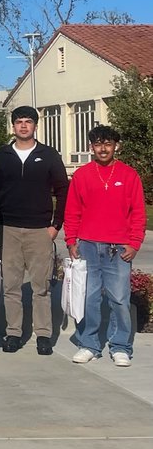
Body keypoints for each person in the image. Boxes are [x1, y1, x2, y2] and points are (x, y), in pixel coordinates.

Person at [0, 104, 68, 356]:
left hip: (40, 230)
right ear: (13, 126)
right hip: (9, 228)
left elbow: (63, 191)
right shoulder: (2, 156)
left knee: (41, 286)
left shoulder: (49, 155)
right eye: (19, 121)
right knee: (11, 286)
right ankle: (13, 332)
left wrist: (56, 225)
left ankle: (43, 334)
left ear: (35, 125)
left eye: (28, 121)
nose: (24, 125)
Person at [65, 125, 146, 367]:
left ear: (116, 146)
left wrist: (134, 243)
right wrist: (71, 241)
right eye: (98, 144)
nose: (103, 148)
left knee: (119, 298)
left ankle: (120, 346)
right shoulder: (82, 175)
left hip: (119, 247)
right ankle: (89, 344)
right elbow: (72, 211)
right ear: (91, 147)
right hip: (89, 245)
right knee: (89, 298)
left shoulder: (129, 175)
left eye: (108, 143)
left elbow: (138, 213)